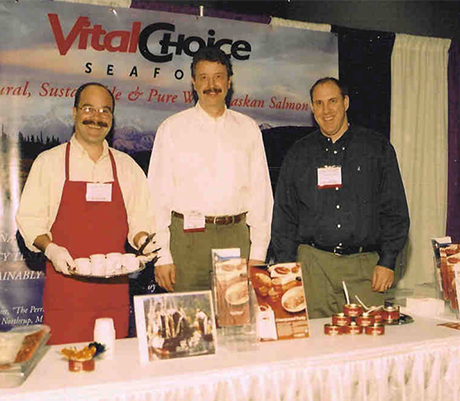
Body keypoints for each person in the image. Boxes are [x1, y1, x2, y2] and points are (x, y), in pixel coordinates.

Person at [16, 82, 156, 344]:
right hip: (65, 290)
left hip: (114, 293)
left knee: (112, 368)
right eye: (88, 108)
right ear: (74, 113)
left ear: (112, 119)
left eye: (105, 111)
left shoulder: (126, 166)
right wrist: (51, 249)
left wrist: (143, 243)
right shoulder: (49, 162)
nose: (96, 117)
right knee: (64, 369)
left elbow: (141, 220)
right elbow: (30, 220)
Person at [271, 77, 409, 318]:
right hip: (313, 267)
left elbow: (395, 211)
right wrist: (288, 271)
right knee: (316, 348)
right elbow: (284, 216)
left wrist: (387, 261)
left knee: (369, 347)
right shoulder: (297, 154)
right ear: (312, 108)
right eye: (319, 103)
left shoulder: (377, 148)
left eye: (333, 101)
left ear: (345, 102)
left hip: (365, 267)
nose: (327, 110)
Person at [148, 47, 273, 293]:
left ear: (229, 81)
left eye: (218, 76)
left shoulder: (248, 129)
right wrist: (162, 256)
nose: (211, 84)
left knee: (233, 324)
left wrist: (258, 254)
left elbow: (261, 195)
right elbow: (156, 197)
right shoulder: (171, 129)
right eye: (203, 77)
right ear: (193, 83)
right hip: (186, 242)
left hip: (235, 238)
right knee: (187, 324)